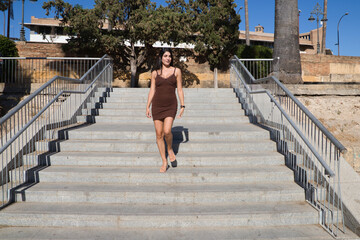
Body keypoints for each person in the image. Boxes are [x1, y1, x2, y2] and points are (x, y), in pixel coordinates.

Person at [146, 48, 185, 173]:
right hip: (157, 105)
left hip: (170, 105)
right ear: (161, 58)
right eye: (165, 56)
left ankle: (169, 149)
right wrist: (147, 106)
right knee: (159, 134)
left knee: (167, 131)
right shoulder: (155, 73)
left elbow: (179, 89)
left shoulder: (176, 71)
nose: (168, 58)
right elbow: (152, 90)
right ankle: (164, 161)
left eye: (170, 56)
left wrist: (182, 105)